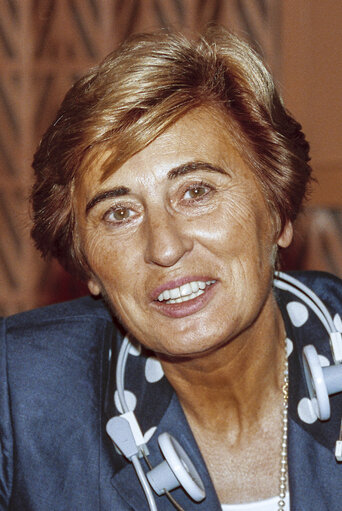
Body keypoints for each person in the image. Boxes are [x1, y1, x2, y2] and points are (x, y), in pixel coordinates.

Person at [1, 26, 342, 511]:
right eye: (118, 213)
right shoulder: (20, 390)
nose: (164, 247)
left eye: (196, 192)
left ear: (279, 213)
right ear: (88, 267)